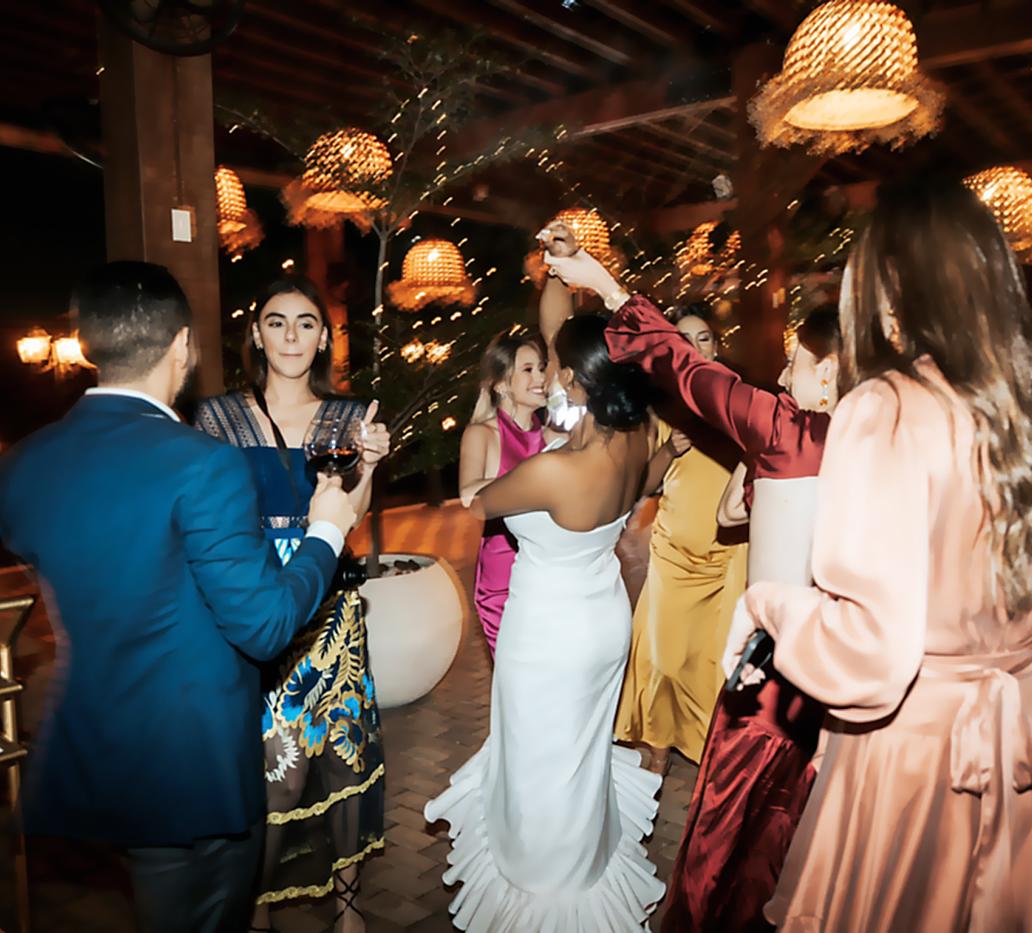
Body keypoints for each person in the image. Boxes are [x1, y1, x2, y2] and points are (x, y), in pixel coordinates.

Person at [723, 177, 1032, 932]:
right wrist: (1000, 666)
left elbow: (871, 659)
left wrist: (768, 604)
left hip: (911, 753)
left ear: (887, 290)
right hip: (1020, 754)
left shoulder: (886, 409)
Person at [0, 262, 357, 933]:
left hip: (92, 739)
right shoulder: (204, 463)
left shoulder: (24, 463)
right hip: (191, 764)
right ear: (183, 346)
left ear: (86, 345)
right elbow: (266, 625)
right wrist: (328, 528)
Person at [559, 242, 837, 930]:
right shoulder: (882, 439)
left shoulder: (789, 431)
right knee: (791, 832)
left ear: (829, 374)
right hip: (843, 664)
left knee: (721, 836)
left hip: (774, 673)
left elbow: (684, 369)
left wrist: (605, 284)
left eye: (795, 362)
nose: (780, 371)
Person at [423, 231, 666, 931]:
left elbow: (480, 502)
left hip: (549, 632)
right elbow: (562, 332)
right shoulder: (635, 436)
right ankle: (585, 861)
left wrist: (487, 443)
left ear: (583, 381)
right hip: (602, 618)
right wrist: (564, 268)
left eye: (563, 369)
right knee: (580, 758)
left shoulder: (551, 471)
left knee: (538, 761)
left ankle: (541, 890)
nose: (553, 375)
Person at [195, 276, 389, 933]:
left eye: (306, 323)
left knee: (342, 754)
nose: (291, 336)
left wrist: (365, 466)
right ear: (255, 333)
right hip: (254, 601)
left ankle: (348, 907)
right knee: (274, 771)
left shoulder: (351, 416)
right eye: (276, 322)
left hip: (328, 603)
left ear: (324, 337)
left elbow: (352, 517)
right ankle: (255, 906)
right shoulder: (216, 417)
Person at [614, 302, 749, 775]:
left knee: (719, 659)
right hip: (675, 552)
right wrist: (670, 450)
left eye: (705, 338)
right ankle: (659, 744)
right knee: (665, 657)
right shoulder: (662, 407)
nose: (696, 348)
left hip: (732, 551)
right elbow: (643, 486)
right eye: (684, 340)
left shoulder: (740, 400)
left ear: (717, 344)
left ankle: (716, 753)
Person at [458, 332, 549, 656]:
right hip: (503, 578)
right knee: (515, 674)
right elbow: (468, 495)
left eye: (541, 368)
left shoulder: (552, 434)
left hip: (548, 570)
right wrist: (531, 479)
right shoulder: (482, 433)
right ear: (501, 384)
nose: (541, 377)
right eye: (528, 370)